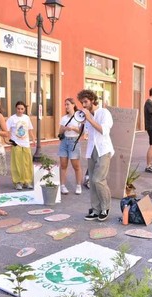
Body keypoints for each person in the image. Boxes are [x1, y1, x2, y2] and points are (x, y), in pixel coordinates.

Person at [77, 89, 114, 222]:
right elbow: (86, 134)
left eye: (86, 101)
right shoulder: (87, 115)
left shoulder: (104, 112)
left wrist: (89, 119)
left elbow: (104, 130)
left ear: (92, 100)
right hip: (91, 149)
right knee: (92, 181)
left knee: (98, 179)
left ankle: (105, 207)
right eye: (82, 103)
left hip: (103, 150)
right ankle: (95, 209)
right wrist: (82, 124)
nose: (84, 105)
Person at [6, 101, 35, 190]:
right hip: (16, 143)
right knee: (17, 163)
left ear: (24, 109)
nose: (20, 110)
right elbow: (6, 130)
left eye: (22, 109)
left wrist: (33, 138)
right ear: (16, 108)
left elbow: (29, 129)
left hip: (26, 143)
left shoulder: (26, 118)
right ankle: (18, 182)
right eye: (18, 108)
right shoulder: (12, 118)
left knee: (27, 163)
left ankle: (27, 181)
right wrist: (6, 140)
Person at [58, 98, 83, 195]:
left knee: (76, 165)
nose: (66, 106)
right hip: (64, 142)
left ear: (73, 105)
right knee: (63, 165)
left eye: (68, 104)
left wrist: (73, 128)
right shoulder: (64, 118)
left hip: (74, 141)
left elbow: (82, 132)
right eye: (65, 104)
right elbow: (59, 132)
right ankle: (63, 186)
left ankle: (78, 185)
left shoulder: (79, 117)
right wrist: (64, 129)